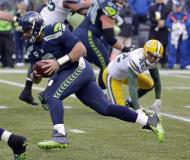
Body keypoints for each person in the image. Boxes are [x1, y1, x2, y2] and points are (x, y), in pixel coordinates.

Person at [17, 11, 164, 149]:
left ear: (36, 27)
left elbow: (81, 49)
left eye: (27, 30)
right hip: (70, 73)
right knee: (106, 109)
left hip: (78, 68)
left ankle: (59, 135)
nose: (24, 34)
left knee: (51, 95)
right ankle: (150, 121)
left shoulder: (55, 29)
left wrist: (58, 63)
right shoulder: (30, 47)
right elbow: (36, 79)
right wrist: (36, 75)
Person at [19, 0, 92, 106]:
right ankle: (47, 90)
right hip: (46, 29)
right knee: (53, 60)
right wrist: (92, 11)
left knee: (42, 59)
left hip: (41, 24)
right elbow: (79, 9)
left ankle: (30, 90)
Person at [73, 0, 132, 90]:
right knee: (107, 66)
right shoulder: (110, 8)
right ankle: (102, 95)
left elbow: (84, 5)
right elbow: (110, 39)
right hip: (88, 37)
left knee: (72, 63)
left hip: (78, 33)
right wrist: (126, 49)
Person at [103, 39, 163, 113]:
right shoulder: (136, 59)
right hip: (112, 76)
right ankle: (103, 96)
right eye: (151, 55)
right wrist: (137, 109)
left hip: (126, 74)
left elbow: (156, 79)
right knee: (121, 111)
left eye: (156, 57)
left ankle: (130, 102)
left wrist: (158, 99)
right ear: (145, 51)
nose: (153, 59)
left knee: (149, 84)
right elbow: (132, 87)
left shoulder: (151, 60)